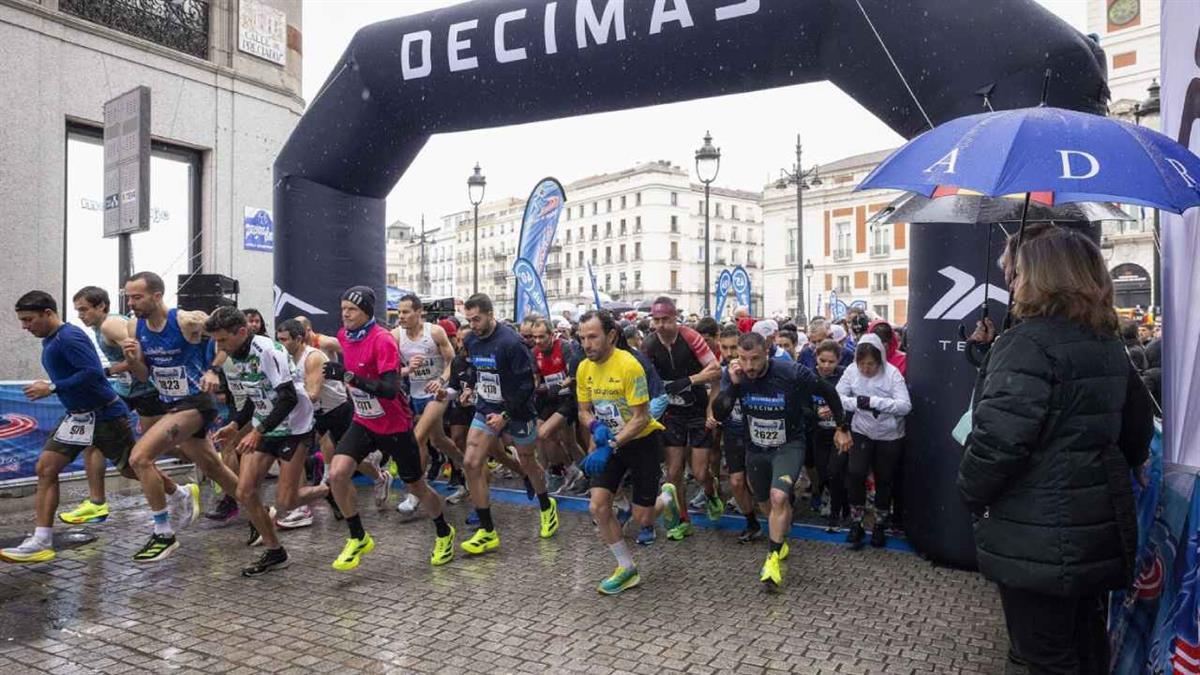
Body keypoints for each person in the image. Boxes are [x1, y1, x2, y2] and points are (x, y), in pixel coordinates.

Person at [958, 228, 1154, 672]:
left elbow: (997, 443)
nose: (1012, 280)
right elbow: (1136, 425)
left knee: (1044, 656)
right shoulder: (1104, 341)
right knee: (1085, 645)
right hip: (1095, 524)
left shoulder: (1028, 343)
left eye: (1019, 271)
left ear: (1039, 276)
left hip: (1038, 532)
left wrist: (970, 492)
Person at [2, 292, 146, 562]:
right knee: (45, 468)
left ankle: (179, 492)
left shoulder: (70, 337)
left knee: (132, 469)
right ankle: (41, 540)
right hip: (76, 417)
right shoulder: (52, 339)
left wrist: (53, 387)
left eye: (29, 319)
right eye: (22, 321)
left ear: (48, 313)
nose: (25, 326)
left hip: (105, 415)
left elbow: (92, 372)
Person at [323, 286, 455, 570]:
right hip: (364, 421)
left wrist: (348, 377)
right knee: (337, 473)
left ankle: (444, 531)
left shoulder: (382, 340)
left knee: (416, 486)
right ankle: (358, 536)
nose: (345, 314)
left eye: (352, 310)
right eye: (343, 308)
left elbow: (388, 388)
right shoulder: (344, 335)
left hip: (394, 425)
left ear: (367, 312)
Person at [715, 331, 851, 587]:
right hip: (756, 449)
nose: (749, 366)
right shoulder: (736, 376)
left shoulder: (792, 372)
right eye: (743, 359)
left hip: (789, 445)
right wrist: (733, 386)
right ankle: (779, 538)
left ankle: (772, 558)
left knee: (779, 497)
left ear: (767, 352)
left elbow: (829, 393)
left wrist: (842, 428)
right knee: (765, 501)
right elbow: (719, 412)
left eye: (755, 359)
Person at [121, 271, 237, 563]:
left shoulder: (186, 320)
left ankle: (163, 532)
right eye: (128, 297)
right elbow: (146, 375)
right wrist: (134, 361)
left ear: (157, 296)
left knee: (139, 458)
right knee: (214, 467)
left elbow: (227, 338)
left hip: (196, 403)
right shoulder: (137, 327)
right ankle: (265, 513)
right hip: (171, 403)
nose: (131, 303)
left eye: (137, 297)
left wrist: (214, 370)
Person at [206, 307, 317, 576]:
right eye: (216, 341)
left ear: (242, 332)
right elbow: (253, 398)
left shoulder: (268, 350)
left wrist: (257, 432)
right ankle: (275, 551)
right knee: (244, 492)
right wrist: (235, 425)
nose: (219, 347)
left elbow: (288, 397)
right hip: (266, 425)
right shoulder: (236, 355)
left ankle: (331, 488)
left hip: (294, 426)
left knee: (286, 500)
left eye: (222, 340)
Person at [576, 310, 676, 594]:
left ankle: (666, 498)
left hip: (641, 441)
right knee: (597, 505)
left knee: (643, 518)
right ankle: (627, 568)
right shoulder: (584, 368)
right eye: (582, 338)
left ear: (611, 335)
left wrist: (612, 444)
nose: (586, 344)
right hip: (610, 441)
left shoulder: (630, 366)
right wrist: (595, 426)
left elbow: (641, 417)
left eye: (592, 337)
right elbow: (583, 411)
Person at [459, 294, 558, 555]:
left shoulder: (512, 343)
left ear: (491, 314)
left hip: (518, 410)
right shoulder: (470, 340)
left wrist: (505, 414)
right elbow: (475, 370)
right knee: (471, 462)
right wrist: (469, 388)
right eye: (469, 320)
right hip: (485, 409)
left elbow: (528, 386)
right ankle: (487, 531)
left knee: (527, 461)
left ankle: (547, 506)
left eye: (477, 319)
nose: (473, 325)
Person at [63, 286, 168, 526]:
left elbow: (139, 356)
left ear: (101, 306)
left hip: (147, 392)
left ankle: (203, 465)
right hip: (125, 391)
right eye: (78, 311)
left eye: (84, 309)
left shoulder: (111, 324)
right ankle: (97, 503)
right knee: (94, 440)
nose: (80, 315)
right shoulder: (101, 328)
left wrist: (107, 370)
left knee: (167, 448)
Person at [641, 296, 722, 539]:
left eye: (665, 319)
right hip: (672, 412)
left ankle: (711, 491)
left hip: (697, 409)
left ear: (675, 318)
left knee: (699, 472)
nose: (660, 325)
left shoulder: (690, 337)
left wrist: (689, 381)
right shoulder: (649, 343)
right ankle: (682, 519)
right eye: (656, 320)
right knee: (673, 471)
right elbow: (643, 376)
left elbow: (716, 369)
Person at [275, 318, 359, 529]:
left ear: (299, 338)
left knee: (352, 463)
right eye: (278, 340)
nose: (281, 344)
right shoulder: (286, 358)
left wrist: (283, 400)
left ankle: (376, 478)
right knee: (294, 456)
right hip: (313, 415)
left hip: (337, 410)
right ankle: (302, 509)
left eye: (284, 340)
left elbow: (312, 394)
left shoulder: (312, 357)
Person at [392, 294, 463, 518]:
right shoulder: (395, 336)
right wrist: (407, 370)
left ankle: (415, 493)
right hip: (415, 394)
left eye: (405, 312)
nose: (401, 316)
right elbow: (390, 371)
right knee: (438, 440)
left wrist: (441, 380)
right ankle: (469, 468)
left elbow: (453, 362)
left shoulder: (435, 332)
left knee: (418, 437)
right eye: (399, 312)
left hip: (440, 393)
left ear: (419, 312)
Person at [707, 324, 760, 543]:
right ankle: (751, 523)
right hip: (733, 431)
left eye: (733, 349)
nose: (729, 354)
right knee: (737, 482)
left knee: (757, 482)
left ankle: (778, 514)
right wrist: (712, 414)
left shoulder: (755, 366)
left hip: (757, 433)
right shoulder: (724, 370)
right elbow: (717, 395)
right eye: (725, 348)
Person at [530, 317, 586, 495]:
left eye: (541, 337)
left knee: (547, 433)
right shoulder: (534, 352)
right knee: (550, 437)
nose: (538, 341)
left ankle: (581, 473)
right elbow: (536, 377)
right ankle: (571, 470)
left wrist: (560, 385)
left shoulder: (565, 347)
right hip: (548, 398)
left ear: (551, 334)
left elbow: (573, 375)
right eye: (535, 337)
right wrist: (534, 387)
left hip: (567, 398)